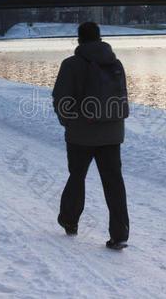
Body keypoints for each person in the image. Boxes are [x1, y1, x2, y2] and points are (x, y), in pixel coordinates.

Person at [52, 22, 130, 250]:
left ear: (79, 40)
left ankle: (70, 221)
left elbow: (61, 99)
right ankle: (120, 235)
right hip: (112, 134)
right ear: (100, 38)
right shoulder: (115, 63)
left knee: (77, 177)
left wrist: (69, 123)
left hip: (80, 134)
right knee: (114, 183)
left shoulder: (71, 64)